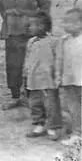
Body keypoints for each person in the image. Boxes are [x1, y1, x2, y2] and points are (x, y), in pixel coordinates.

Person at [0, 0, 51, 110]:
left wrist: (38, 25)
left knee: (33, 63)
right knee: (13, 64)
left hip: (32, 29)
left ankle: (31, 96)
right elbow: (1, 8)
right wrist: (11, 21)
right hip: (12, 29)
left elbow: (45, 5)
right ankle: (15, 97)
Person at [23, 12, 61, 140]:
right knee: (35, 103)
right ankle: (39, 124)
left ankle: (52, 127)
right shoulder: (31, 42)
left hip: (48, 80)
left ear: (42, 26)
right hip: (33, 80)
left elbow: (58, 60)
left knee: (51, 104)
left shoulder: (54, 42)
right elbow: (28, 60)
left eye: (32, 25)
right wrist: (25, 74)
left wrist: (57, 76)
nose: (29, 28)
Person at [55, 7, 82, 147]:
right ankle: (77, 134)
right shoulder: (64, 41)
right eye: (64, 22)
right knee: (73, 108)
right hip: (70, 81)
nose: (65, 25)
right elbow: (59, 59)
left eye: (69, 23)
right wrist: (58, 76)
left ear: (79, 24)